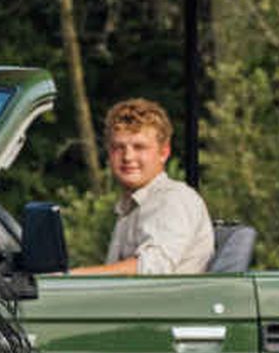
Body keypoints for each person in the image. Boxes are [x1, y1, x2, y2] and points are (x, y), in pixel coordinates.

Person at [78, 96, 215, 276]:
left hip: (168, 303)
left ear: (163, 152)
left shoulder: (173, 199)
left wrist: (71, 276)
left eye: (139, 147)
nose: (127, 157)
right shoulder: (131, 206)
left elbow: (151, 269)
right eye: (119, 147)